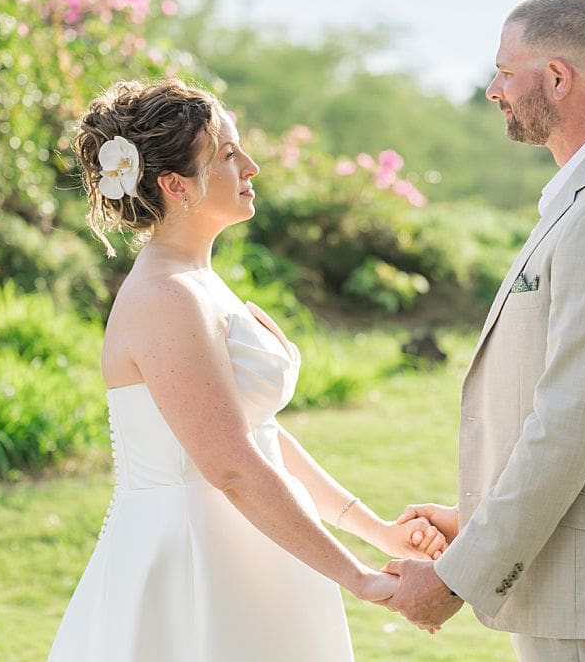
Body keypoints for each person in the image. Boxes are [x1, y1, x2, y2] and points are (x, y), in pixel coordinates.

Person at [48, 78, 446, 661]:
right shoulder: (166, 297)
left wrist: (376, 529)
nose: (252, 166)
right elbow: (232, 466)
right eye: (229, 154)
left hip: (258, 546)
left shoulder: (199, 283)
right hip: (193, 561)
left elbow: (260, 437)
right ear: (174, 185)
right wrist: (359, 578)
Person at [386, 0, 585, 661]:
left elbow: (567, 426)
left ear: (557, 78)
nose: (494, 90)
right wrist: (476, 524)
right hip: (575, 582)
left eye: (505, 72)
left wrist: (456, 577)